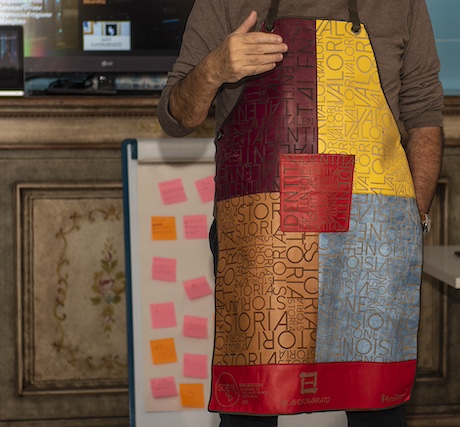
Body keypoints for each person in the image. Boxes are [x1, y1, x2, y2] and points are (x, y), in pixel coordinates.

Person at [157, 0, 444, 426]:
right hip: (259, 233)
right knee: (251, 408)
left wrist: (412, 220)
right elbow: (175, 118)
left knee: (378, 408)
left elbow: (423, 112)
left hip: (375, 234)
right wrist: (214, 68)